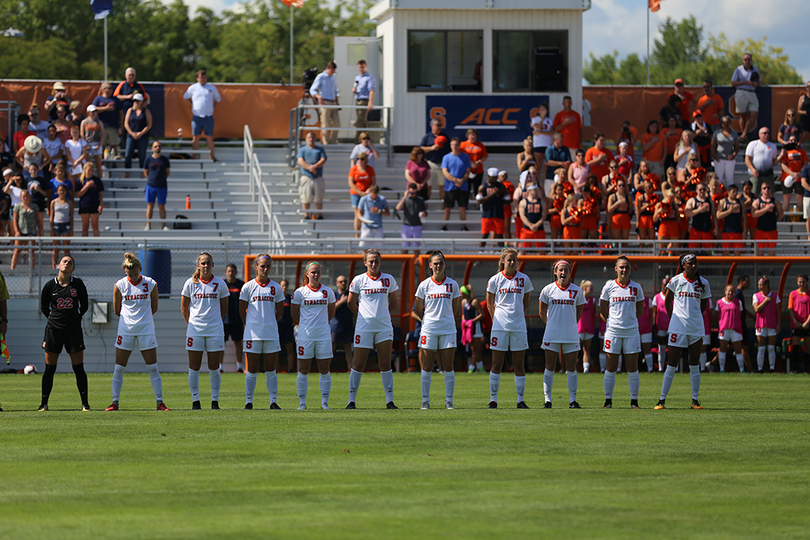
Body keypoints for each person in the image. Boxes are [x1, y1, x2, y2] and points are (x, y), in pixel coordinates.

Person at [106, 253, 170, 412]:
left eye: (135, 274)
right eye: (130, 274)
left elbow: (154, 307)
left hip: (146, 330)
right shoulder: (119, 285)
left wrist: (143, 320)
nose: (133, 277)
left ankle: (160, 403)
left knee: (153, 367)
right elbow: (116, 309)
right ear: (125, 272)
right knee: (119, 368)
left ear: (140, 269)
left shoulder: (150, 283)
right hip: (125, 330)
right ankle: (115, 403)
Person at [655, 252, 711, 410]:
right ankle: (661, 400)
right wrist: (675, 319)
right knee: (671, 364)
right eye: (690, 263)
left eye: (695, 263)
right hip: (677, 328)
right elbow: (668, 302)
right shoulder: (675, 280)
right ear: (683, 265)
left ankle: (695, 400)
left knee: (694, 364)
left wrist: (694, 317)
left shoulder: (704, 283)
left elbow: (704, 305)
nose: (693, 265)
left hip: (696, 328)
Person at [346, 250, 400, 409]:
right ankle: (351, 401)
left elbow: (394, 302)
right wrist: (363, 315)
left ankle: (390, 401)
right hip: (363, 327)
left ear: (380, 262)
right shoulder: (359, 280)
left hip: (384, 327)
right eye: (370, 261)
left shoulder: (388, 279)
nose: (374, 264)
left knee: (385, 363)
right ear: (365, 263)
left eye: (376, 261)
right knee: (358, 364)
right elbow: (351, 302)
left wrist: (382, 315)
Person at [38, 256, 90, 412]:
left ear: (73, 269)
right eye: (64, 261)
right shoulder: (49, 286)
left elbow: (85, 305)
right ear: (58, 265)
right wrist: (55, 320)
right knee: (49, 369)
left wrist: (74, 318)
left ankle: (85, 404)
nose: (67, 263)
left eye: (70, 262)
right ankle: (43, 404)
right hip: (54, 331)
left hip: (73, 330)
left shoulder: (78, 284)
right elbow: (44, 307)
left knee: (78, 368)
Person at [485, 248, 533, 409]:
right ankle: (493, 400)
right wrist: (496, 320)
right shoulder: (495, 280)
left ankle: (520, 400)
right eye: (509, 259)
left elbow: (526, 302)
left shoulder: (524, 279)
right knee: (497, 364)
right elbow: (490, 304)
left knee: (519, 364)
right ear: (503, 261)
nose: (512, 262)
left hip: (519, 326)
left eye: (514, 259)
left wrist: (517, 316)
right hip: (499, 327)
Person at [413, 251, 461, 409]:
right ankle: (425, 401)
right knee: (426, 366)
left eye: (441, 262)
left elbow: (455, 309)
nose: (438, 265)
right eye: (435, 263)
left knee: (448, 366)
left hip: (448, 329)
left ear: (445, 264)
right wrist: (428, 321)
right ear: (430, 265)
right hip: (429, 329)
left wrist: (444, 318)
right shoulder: (424, 285)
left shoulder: (453, 284)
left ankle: (449, 401)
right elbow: (418, 309)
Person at [181, 252, 228, 410]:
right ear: (198, 265)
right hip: (195, 330)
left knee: (214, 366)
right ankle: (196, 401)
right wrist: (192, 324)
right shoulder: (190, 283)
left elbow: (224, 308)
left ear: (213, 265)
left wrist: (214, 322)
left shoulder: (220, 284)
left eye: (208, 263)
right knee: (194, 366)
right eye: (203, 263)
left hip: (215, 330)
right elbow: (183, 308)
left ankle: (215, 401)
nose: (206, 266)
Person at [239, 254, 285, 409]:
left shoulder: (276, 287)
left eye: (268, 266)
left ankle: (273, 401)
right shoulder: (248, 286)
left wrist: (269, 323)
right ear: (255, 267)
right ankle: (248, 402)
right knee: (251, 369)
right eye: (262, 266)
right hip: (252, 334)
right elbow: (241, 310)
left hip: (271, 333)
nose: (265, 269)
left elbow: (279, 311)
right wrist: (251, 324)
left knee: (271, 370)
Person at [599, 256, 644, 409]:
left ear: (630, 269)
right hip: (613, 331)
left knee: (632, 367)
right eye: (621, 267)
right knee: (611, 367)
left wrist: (628, 322)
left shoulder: (637, 287)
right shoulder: (608, 286)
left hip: (632, 331)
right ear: (616, 268)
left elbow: (640, 310)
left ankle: (634, 402)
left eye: (627, 267)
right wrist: (613, 323)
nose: (624, 270)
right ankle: (608, 401)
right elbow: (602, 309)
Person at [539, 259, 584, 409]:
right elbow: (541, 311)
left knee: (571, 367)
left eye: (566, 270)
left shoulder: (577, 291)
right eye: (561, 270)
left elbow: (578, 313)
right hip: (552, 333)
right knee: (550, 366)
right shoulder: (547, 289)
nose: (563, 273)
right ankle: (547, 400)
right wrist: (552, 324)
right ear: (555, 272)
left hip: (570, 334)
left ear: (570, 273)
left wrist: (568, 324)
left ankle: (572, 400)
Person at [291, 261, 336, 410]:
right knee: (303, 370)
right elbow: (294, 313)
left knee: (324, 370)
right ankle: (302, 403)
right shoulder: (299, 292)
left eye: (318, 272)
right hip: (305, 336)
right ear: (307, 274)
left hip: (323, 336)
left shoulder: (328, 291)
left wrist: (320, 325)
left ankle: (324, 403)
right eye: (313, 272)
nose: (316, 275)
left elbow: (331, 313)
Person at [184, 69, 221, 162]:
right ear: (197, 78)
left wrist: (212, 106)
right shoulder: (193, 88)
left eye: (204, 77)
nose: (203, 79)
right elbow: (186, 97)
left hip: (208, 116)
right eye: (201, 77)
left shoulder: (211, 87)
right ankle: (194, 156)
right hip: (197, 117)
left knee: (209, 137)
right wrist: (192, 104)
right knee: (196, 137)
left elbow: (218, 98)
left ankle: (212, 156)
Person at [441, 138, 471, 231]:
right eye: (453, 144)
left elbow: (468, 171)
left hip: (463, 186)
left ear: (459, 146)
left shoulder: (465, 157)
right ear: (450, 146)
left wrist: (462, 180)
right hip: (450, 187)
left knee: (462, 207)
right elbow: (445, 171)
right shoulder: (446, 157)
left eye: (456, 144)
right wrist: (455, 180)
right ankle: (445, 225)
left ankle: (463, 226)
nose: (454, 146)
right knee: (447, 207)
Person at [715, 284, 746, 373]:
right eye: (729, 291)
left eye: (732, 291)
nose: (730, 293)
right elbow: (718, 315)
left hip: (736, 329)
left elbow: (739, 313)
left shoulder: (738, 302)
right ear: (725, 291)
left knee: (738, 350)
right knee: (723, 349)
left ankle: (742, 369)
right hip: (724, 329)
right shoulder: (719, 302)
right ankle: (722, 369)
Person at [296, 131, 327, 220]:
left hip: (318, 177)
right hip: (306, 176)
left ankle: (319, 214)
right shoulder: (302, 150)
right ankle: (306, 215)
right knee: (305, 197)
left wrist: (314, 166)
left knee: (319, 197)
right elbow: (300, 161)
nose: (311, 139)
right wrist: (309, 168)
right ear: (306, 139)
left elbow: (323, 160)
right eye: (309, 137)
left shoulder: (320, 149)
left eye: (313, 137)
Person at [752, 276, 780, 373]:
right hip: (760, 325)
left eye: (761, 285)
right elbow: (757, 309)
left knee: (771, 347)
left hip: (772, 324)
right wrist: (766, 300)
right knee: (761, 348)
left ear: (767, 285)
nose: (760, 287)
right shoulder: (756, 296)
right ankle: (760, 368)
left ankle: (772, 368)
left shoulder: (775, 296)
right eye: (759, 285)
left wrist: (779, 324)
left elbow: (777, 311)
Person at [731, 53, 761, 142]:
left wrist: (756, 84)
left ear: (751, 60)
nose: (747, 61)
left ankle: (744, 134)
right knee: (742, 115)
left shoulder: (755, 69)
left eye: (749, 60)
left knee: (754, 114)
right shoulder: (738, 70)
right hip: (741, 91)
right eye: (745, 60)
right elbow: (733, 83)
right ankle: (744, 136)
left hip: (752, 92)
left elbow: (759, 81)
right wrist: (745, 82)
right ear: (743, 61)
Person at [477, 167, 508, 251]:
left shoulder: (501, 186)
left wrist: (500, 200)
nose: (494, 179)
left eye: (495, 177)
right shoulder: (483, 186)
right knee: (485, 234)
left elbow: (507, 199)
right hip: (487, 213)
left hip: (498, 213)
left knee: (499, 234)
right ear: (488, 176)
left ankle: (502, 252)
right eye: (492, 177)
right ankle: (480, 252)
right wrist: (493, 194)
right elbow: (479, 200)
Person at [310, 61, 340, 144]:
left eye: (334, 71)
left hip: (333, 102)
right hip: (325, 102)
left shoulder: (334, 77)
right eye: (331, 71)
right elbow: (312, 89)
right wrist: (319, 97)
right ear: (327, 68)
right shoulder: (321, 77)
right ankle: (326, 142)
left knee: (337, 124)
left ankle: (333, 142)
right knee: (326, 124)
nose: (332, 73)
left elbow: (335, 90)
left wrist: (337, 101)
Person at [142, 140, 170, 230]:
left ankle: (164, 225)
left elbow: (168, 172)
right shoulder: (148, 159)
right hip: (151, 185)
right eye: (156, 146)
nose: (157, 148)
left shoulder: (165, 160)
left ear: (161, 148)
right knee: (150, 205)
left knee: (161, 206)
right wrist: (151, 179)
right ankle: (148, 224)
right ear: (152, 148)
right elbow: (146, 172)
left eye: (159, 146)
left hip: (162, 186)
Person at [223, 263, 245, 373]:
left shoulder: (241, 285)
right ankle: (220, 367)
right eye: (229, 271)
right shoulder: (222, 284)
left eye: (232, 271)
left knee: (238, 343)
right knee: (221, 343)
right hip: (224, 320)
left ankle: (239, 367)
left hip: (237, 320)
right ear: (226, 272)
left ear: (236, 272)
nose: (231, 273)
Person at [420, 119, 450, 199]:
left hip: (442, 164)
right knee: (428, 185)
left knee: (442, 186)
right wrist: (431, 148)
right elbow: (421, 149)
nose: (439, 127)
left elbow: (450, 150)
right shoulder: (428, 136)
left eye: (440, 125)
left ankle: (444, 205)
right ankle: (425, 206)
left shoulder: (445, 136)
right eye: (437, 125)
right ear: (432, 125)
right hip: (430, 163)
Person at [92, 82, 124, 158]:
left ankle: (114, 163)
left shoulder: (116, 100)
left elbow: (121, 113)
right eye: (108, 88)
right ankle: (102, 163)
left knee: (113, 145)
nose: (110, 90)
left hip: (113, 126)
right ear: (103, 89)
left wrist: (122, 125)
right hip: (101, 126)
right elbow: (93, 109)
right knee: (102, 146)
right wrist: (105, 108)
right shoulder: (98, 99)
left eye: (111, 88)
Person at [348, 151, 376, 236]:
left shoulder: (370, 169)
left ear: (366, 160)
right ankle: (357, 234)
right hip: (356, 193)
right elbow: (351, 183)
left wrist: (367, 191)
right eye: (358, 159)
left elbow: (373, 182)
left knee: (366, 213)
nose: (359, 160)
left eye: (362, 159)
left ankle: (366, 232)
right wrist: (360, 192)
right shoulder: (354, 169)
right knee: (357, 214)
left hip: (367, 193)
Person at [751, 182, 783, 256]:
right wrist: (766, 209)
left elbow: (781, 214)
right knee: (759, 252)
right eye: (764, 188)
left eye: (768, 188)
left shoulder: (775, 202)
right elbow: (753, 214)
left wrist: (774, 220)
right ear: (761, 190)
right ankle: (759, 267)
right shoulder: (757, 202)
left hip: (772, 230)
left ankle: (771, 267)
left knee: (772, 251)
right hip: (760, 230)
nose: (767, 190)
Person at [330, 275, 354, 371]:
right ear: (337, 283)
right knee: (331, 348)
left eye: (344, 281)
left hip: (347, 325)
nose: (343, 283)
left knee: (348, 349)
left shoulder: (350, 294)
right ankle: (326, 369)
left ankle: (351, 369)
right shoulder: (333, 295)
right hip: (335, 326)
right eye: (341, 282)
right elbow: (332, 308)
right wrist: (342, 301)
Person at [684, 183, 717, 252]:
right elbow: (687, 213)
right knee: (692, 250)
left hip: (707, 229)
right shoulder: (692, 200)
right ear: (696, 190)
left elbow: (714, 216)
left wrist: (716, 227)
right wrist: (698, 210)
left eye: (703, 189)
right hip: (695, 229)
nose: (702, 191)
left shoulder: (710, 202)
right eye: (700, 189)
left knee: (708, 251)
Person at [780, 134, 807, 214]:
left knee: (799, 197)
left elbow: (805, 163)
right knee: (786, 197)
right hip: (787, 177)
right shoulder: (786, 151)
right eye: (791, 140)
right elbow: (783, 164)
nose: (793, 142)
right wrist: (792, 173)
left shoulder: (801, 151)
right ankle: (784, 217)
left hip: (799, 178)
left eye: (795, 140)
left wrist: (799, 173)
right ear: (788, 141)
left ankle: (800, 217)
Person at [124, 94, 152, 170]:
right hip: (131, 136)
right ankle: (127, 172)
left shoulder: (146, 111)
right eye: (135, 100)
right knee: (128, 155)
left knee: (142, 155)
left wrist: (141, 133)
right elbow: (126, 123)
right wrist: (132, 133)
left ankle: (142, 172)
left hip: (143, 137)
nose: (136, 102)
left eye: (138, 101)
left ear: (142, 101)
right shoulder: (130, 110)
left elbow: (149, 125)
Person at [396, 183, 427, 255]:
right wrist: (404, 197)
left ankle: (417, 265)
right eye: (411, 192)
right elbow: (398, 208)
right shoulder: (405, 199)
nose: (413, 194)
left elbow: (425, 212)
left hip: (417, 225)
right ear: (408, 191)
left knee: (416, 249)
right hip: (406, 225)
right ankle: (403, 266)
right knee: (404, 249)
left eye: (415, 192)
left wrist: (423, 213)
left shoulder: (420, 200)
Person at [460, 284, 485, 374]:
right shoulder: (463, 302)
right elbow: (463, 314)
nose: (461, 294)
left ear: (466, 293)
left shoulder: (474, 302)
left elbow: (482, 314)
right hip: (468, 330)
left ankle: (471, 368)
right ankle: (480, 368)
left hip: (476, 329)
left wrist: (471, 321)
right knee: (474, 349)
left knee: (475, 349)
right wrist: (464, 321)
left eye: (462, 293)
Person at [788, 275, 810, 373]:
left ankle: (807, 368)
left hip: (807, 324)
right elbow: (791, 308)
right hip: (796, 324)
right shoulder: (793, 294)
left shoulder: (809, 294)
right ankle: (793, 368)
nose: (801, 284)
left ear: (807, 282)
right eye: (800, 282)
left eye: (803, 282)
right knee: (795, 345)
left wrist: (807, 322)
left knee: (808, 346)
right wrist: (795, 321)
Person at [717, 184, 747, 254]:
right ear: (728, 192)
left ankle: (736, 265)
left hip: (738, 231)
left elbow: (744, 217)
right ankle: (726, 265)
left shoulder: (740, 202)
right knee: (726, 252)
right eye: (733, 192)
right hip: (727, 231)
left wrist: (745, 230)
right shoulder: (723, 202)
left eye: (736, 192)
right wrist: (729, 211)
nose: (735, 193)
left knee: (738, 253)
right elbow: (718, 215)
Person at [75, 162, 104, 237]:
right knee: (85, 226)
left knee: (95, 226)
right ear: (84, 170)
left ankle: (97, 246)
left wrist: (101, 204)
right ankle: (85, 246)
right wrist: (87, 186)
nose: (90, 172)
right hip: (84, 205)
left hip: (95, 204)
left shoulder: (97, 180)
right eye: (89, 170)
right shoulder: (80, 180)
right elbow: (79, 194)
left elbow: (100, 194)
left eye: (92, 170)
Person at [711, 115, 740, 187]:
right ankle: (718, 195)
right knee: (718, 179)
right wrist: (714, 155)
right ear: (721, 123)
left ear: (730, 123)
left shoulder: (734, 134)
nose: (725, 124)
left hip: (730, 159)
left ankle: (729, 195)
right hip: (719, 159)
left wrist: (734, 154)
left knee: (729, 179)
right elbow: (713, 146)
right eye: (723, 122)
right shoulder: (717, 133)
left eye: (727, 122)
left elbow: (737, 147)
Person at [518, 180, 546, 252]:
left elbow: (543, 215)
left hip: (539, 229)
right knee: (522, 250)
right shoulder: (523, 202)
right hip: (527, 229)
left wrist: (537, 225)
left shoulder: (542, 202)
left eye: (537, 189)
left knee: (542, 250)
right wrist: (530, 225)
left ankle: (544, 263)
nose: (536, 191)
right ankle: (519, 263)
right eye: (534, 190)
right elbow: (522, 216)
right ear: (529, 191)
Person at [11, 190, 36, 270]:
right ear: (21, 197)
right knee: (17, 251)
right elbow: (15, 220)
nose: (25, 198)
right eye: (24, 196)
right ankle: (12, 269)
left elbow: (38, 220)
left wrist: (40, 230)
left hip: (31, 231)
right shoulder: (17, 207)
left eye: (27, 196)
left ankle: (32, 270)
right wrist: (17, 231)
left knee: (31, 252)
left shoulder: (34, 206)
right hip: (21, 231)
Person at [460, 128, 488, 199]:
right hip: (466, 170)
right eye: (471, 135)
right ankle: (465, 204)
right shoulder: (463, 144)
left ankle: (477, 204)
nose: (472, 136)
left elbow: (485, 156)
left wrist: (478, 162)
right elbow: (460, 156)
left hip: (478, 170)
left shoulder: (480, 145)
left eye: (474, 135)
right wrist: (469, 163)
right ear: (467, 136)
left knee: (477, 188)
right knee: (466, 188)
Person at [49, 184, 73, 269]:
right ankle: (54, 266)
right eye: (60, 190)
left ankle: (68, 266)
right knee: (56, 248)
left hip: (66, 224)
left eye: (63, 190)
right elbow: (51, 216)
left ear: (66, 191)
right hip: (57, 224)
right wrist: (51, 228)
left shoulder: (69, 202)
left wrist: (71, 229)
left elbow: (71, 217)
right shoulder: (54, 202)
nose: (61, 192)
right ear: (57, 191)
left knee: (66, 248)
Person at [651, 277, 670, 372]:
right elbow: (655, 312)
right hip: (661, 325)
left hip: (671, 325)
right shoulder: (657, 297)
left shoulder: (674, 297)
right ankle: (661, 367)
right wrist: (654, 324)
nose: (666, 287)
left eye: (667, 284)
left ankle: (674, 367)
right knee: (661, 347)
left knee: (672, 347)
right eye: (664, 284)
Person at [578, 280, 596, 373]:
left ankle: (586, 369)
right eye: (590, 288)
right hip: (579, 328)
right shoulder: (579, 299)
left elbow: (594, 311)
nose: (592, 290)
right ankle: (571, 368)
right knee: (576, 349)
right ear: (585, 289)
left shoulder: (593, 300)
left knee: (587, 349)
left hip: (589, 327)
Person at [80, 104, 105, 174]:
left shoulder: (99, 122)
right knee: (86, 164)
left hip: (96, 143)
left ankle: (100, 180)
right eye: (92, 111)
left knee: (99, 164)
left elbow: (103, 134)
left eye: (95, 111)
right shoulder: (84, 122)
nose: (93, 113)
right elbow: (82, 134)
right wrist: (85, 145)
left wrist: (99, 144)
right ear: (88, 112)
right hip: (87, 143)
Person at [278, 279, 296, 373]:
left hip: (288, 326)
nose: (284, 287)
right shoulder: (276, 298)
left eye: (285, 285)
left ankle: (290, 369)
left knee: (289, 348)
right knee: (276, 348)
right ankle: (274, 368)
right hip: (278, 326)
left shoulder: (290, 298)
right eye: (282, 285)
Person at [352, 60, 376, 132]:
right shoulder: (357, 78)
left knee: (360, 121)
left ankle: (357, 139)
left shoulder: (369, 77)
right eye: (360, 67)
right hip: (358, 99)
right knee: (363, 121)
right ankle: (365, 138)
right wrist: (354, 89)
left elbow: (371, 90)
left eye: (363, 67)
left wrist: (370, 102)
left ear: (366, 66)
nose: (361, 69)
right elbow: (356, 86)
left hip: (364, 100)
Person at [636, 179, 660, 248]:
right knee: (642, 239)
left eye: (649, 187)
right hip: (643, 218)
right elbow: (639, 210)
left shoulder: (655, 197)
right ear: (644, 188)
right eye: (646, 187)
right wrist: (646, 205)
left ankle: (652, 256)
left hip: (651, 217)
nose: (648, 189)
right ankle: (640, 255)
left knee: (652, 239)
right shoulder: (640, 197)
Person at [531, 102, 553, 174]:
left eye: (544, 110)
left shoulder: (549, 120)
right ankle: (537, 183)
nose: (542, 111)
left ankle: (545, 183)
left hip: (547, 145)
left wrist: (539, 133)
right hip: (538, 144)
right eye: (541, 110)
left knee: (546, 166)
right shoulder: (535, 119)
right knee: (538, 166)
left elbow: (551, 132)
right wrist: (542, 119)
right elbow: (539, 127)